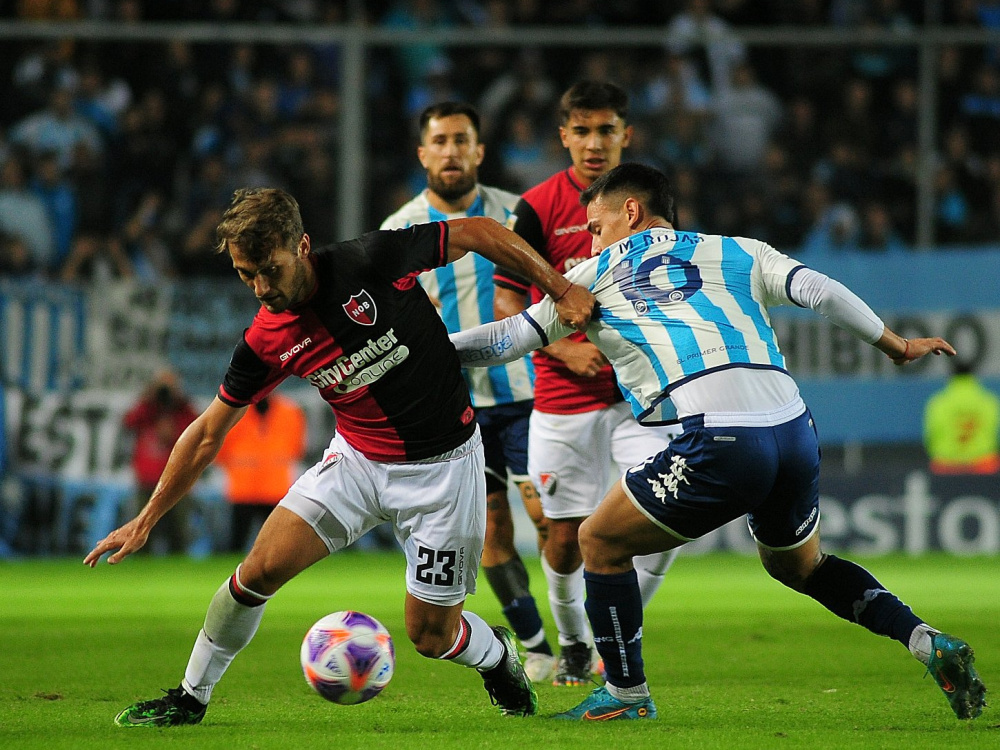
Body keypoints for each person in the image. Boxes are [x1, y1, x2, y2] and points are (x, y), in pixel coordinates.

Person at [450, 162, 986, 722]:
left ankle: (626, 695)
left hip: (722, 435)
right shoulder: (738, 250)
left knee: (599, 541)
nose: (591, 239)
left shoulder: (592, 273)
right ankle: (925, 640)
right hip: (794, 428)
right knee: (801, 567)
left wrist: (433, 349)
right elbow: (820, 290)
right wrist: (896, 345)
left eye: (596, 226)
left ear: (631, 211)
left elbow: (508, 338)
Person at [84, 187, 595, 727]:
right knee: (255, 573)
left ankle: (495, 655)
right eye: (246, 275)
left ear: (301, 246)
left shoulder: (369, 260)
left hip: (443, 471)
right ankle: (191, 697)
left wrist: (560, 287)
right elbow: (208, 432)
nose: (261, 288)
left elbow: (478, 231)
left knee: (431, 636)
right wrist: (146, 519)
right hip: (355, 464)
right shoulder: (264, 340)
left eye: (270, 270)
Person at [493, 80, 679, 686]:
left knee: (670, 515)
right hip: (563, 400)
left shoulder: (647, 202)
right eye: (582, 131)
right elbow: (506, 302)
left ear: (627, 134)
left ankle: (611, 636)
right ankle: (574, 644)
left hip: (639, 400)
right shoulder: (536, 208)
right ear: (564, 136)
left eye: (606, 130)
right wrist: (566, 350)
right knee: (565, 537)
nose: (595, 143)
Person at [380, 101, 557, 680]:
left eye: (461, 140)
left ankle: (578, 638)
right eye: (440, 141)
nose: (451, 151)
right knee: (491, 532)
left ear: (479, 151)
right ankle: (537, 646)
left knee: (550, 519)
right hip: (454, 407)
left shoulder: (517, 213)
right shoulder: (400, 230)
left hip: (527, 392)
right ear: (422, 154)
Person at [214, 393, 308, 552]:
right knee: (242, 542)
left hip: (268, 488)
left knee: (273, 546)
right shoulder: (289, 410)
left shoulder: (289, 411)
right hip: (250, 489)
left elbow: (297, 447)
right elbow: (298, 449)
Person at [122, 369, 199, 555]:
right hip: (148, 479)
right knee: (142, 532)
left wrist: (180, 401)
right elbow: (129, 421)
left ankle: (178, 567)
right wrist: (149, 398)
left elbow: (197, 430)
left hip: (176, 481)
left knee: (178, 532)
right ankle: (141, 566)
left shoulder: (182, 410)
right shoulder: (148, 408)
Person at [923, 359, 1000, 475]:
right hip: (982, 465)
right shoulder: (989, 401)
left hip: (946, 466)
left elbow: (930, 435)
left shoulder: (938, 402)